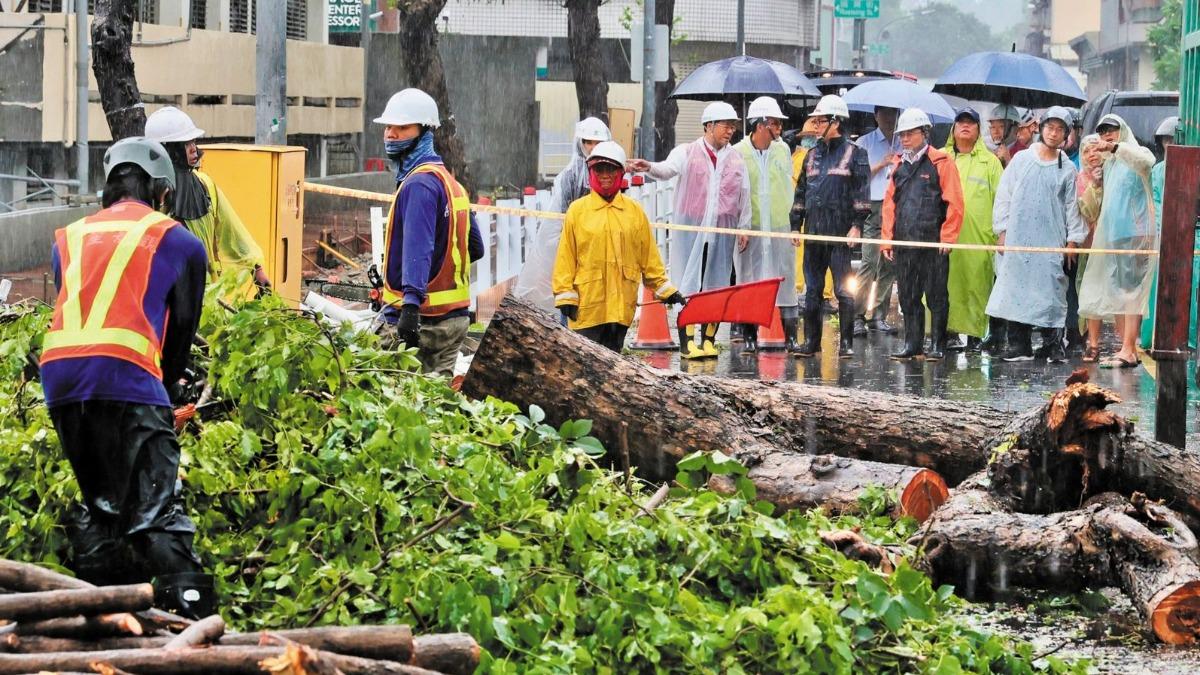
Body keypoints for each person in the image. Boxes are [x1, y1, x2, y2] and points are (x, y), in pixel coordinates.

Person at [39, 137, 213, 618]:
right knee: (158, 511)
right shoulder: (178, 240)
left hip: (61, 378)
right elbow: (180, 333)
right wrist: (169, 390)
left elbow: (83, 309)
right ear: (161, 190)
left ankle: (102, 615)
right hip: (127, 371)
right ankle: (194, 622)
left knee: (104, 504)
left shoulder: (69, 237)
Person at [629, 101, 750, 360]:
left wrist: (744, 227)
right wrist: (648, 166)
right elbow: (667, 169)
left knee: (716, 287)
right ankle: (687, 342)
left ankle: (709, 339)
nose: (730, 131)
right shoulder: (687, 152)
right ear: (709, 126)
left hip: (722, 233)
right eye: (725, 125)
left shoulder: (736, 159)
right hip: (692, 232)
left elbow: (744, 195)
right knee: (689, 284)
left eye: (733, 126)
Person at [376, 88, 484, 376]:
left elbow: (418, 250)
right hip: (454, 322)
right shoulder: (451, 183)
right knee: (438, 408)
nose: (391, 134)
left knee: (392, 408)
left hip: (422, 325)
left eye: (402, 127)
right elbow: (476, 248)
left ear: (425, 131)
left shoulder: (419, 185)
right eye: (388, 126)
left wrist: (410, 305)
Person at [553, 142, 685, 351]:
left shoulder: (634, 212)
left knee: (613, 371)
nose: (605, 174)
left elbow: (649, 258)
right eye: (599, 169)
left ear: (621, 172)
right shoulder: (577, 211)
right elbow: (565, 257)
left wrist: (666, 290)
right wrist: (564, 294)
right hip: (587, 309)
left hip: (621, 310)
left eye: (611, 169)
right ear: (591, 172)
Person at [985, 106, 1086, 363]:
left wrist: (1072, 239)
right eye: (1050, 128)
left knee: (1051, 289)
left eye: (1060, 129)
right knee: (1017, 287)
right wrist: (1002, 231)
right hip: (1019, 237)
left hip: (1051, 239)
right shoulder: (1021, 160)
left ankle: (1052, 344)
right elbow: (1004, 196)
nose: (1054, 133)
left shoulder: (1066, 168)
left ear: (1065, 134)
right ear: (1041, 129)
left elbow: (1072, 206)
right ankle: (1019, 344)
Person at [144, 106, 270, 288]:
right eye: (186, 144)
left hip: (209, 295)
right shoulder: (153, 198)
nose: (194, 149)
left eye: (194, 141)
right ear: (167, 149)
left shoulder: (206, 186)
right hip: (171, 297)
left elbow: (233, 231)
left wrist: (256, 269)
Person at [880, 108, 964, 361]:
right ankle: (912, 344)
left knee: (937, 296)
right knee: (908, 296)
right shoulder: (898, 165)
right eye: (902, 134)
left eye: (909, 133)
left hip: (933, 243)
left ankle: (937, 344)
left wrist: (948, 238)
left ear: (924, 133)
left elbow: (955, 203)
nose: (904, 139)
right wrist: (887, 239)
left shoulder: (941, 162)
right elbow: (889, 204)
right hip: (905, 242)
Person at [791, 94, 871, 358]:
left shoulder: (856, 153)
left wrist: (856, 226)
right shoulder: (811, 156)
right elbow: (801, 193)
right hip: (813, 232)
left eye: (820, 120)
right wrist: (795, 225)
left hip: (839, 234)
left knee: (843, 289)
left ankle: (845, 343)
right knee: (812, 290)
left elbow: (861, 192)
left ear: (835, 122)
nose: (814, 125)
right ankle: (812, 342)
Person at [1077, 113, 1158, 369]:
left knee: (1132, 294)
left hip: (1135, 234)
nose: (1106, 135)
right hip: (1114, 237)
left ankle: (1128, 349)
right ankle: (1127, 348)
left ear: (1122, 130)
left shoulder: (1136, 153)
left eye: (1111, 130)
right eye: (1102, 132)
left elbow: (1147, 161)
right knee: (1120, 294)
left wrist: (1115, 148)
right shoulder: (1109, 164)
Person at [515, 117, 611, 312]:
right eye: (588, 142)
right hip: (573, 241)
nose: (592, 147)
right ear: (580, 143)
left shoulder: (609, 171)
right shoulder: (571, 175)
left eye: (597, 142)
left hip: (602, 242)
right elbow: (562, 215)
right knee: (572, 294)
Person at [733, 96, 799, 352]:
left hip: (780, 226)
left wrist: (793, 223)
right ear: (760, 124)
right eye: (775, 123)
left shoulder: (782, 150)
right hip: (752, 228)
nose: (780, 129)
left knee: (785, 278)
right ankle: (749, 335)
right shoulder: (738, 153)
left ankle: (790, 336)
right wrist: (741, 226)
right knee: (749, 280)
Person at [942, 107, 1003, 352]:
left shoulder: (991, 162)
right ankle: (946, 333)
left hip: (979, 237)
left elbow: (1001, 199)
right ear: (953, 128)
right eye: (961, 122)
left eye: (971, 122)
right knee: (946, 286)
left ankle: (977, 335)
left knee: (977, 286)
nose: (965, 126)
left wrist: (1000, 233)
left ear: (978, 130)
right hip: (947, 235)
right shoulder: (941, 158)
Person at [852, 106, 900, 337]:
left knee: (889, 264)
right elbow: (858, 178)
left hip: (895, 206)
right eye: (884, 113)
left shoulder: (903, 141)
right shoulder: (865, 142)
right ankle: (857, 315)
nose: (889, 118)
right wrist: (882, 163)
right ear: (876, 115)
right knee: (869, 262)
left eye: (893, 113)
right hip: (872, 205)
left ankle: (878, 315)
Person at [786, 117, 836, 328]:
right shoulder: (803, 158)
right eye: (806, 138)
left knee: (815, 254)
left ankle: (818, 294)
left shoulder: (809, 157)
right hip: (806, 212)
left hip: (814, 212)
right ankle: (811, 293)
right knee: (805, 254)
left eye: (810, 137)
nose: (809, 141)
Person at [1075, 134, 1105, 361]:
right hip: (1092, 246)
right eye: (1086, 151)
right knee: (1092, 293)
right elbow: (1089, 212)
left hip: (1115, 244)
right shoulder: (1080, 180)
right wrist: (1095, 185)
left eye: (1096, 149)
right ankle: (1092, 343)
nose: (1092, 155)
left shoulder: (1115, 174)